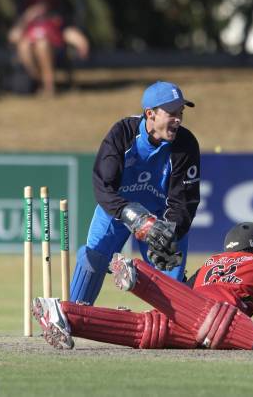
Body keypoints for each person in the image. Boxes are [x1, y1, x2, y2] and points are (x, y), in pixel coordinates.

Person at [32, 222, 253, 350]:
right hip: (219, 317)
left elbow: (181, 293)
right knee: (229, 327)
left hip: (189, 316)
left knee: (144, 329)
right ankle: (139, 274)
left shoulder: (209, 264)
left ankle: (62, 313)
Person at [69, 81, 201, 305]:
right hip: (118, 211)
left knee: (170, 280)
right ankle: (72, 317)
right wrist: (132, 215)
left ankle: (169, 332)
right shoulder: (122, 133)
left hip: (161, 218)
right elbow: (103, 186)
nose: (178, 119)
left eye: (180, 113)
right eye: (171, 113)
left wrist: (171, 232)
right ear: (150, 113)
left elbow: (185, 201)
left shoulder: (185, 144)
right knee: (93, 260)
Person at [8, 0, 89, 96]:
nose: (40, 6)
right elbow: (13, 36)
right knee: (24, 45)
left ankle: (48, 86)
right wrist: (26, 19)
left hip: (54, 50)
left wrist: (82, 43)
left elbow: (68, 32)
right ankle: (38, 80)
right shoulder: (28, 21)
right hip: (30, 51)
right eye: (38, 2)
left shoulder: (55, 18)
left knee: (42, 45)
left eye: (43, 2)